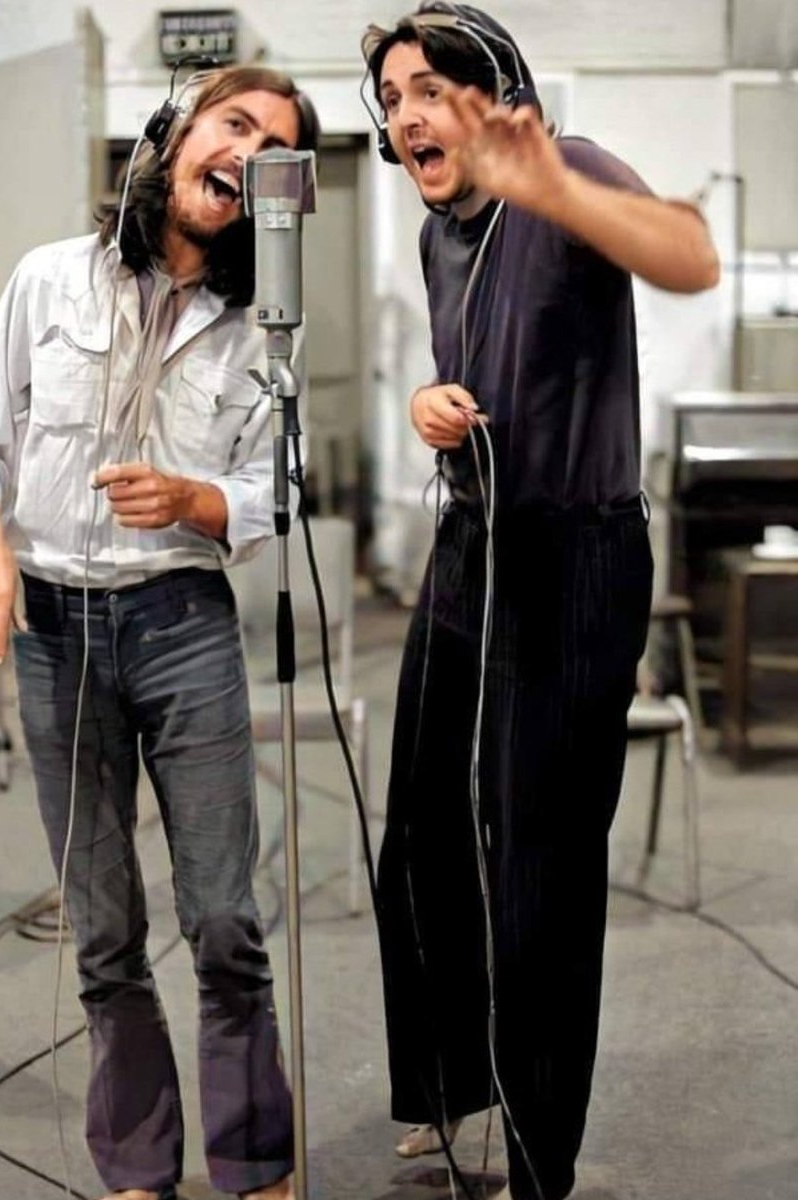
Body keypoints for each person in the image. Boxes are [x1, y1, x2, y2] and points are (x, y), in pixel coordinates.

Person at [0, 65, 319, 1200]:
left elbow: (275, 486)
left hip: (183, 624)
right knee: (103, 931)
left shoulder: (266, 325)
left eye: (273, 148)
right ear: (170, 137)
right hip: (56, 626)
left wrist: (198, 503)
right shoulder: (50, 279)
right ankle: (137, 1166)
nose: (247, 155)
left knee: (226, 920)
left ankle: (253, 1161)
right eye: (233, 125)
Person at [360, 6, 719, 1199]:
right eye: (394, 95)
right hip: (474, 543)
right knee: (418, 827)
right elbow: (476, 366)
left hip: (575, 558)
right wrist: (429, 404)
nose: (410, 113)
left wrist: (552, 186)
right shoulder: (438, 236)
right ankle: (449, 1081)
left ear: (495, 92)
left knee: (540, 864)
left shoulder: (566, 174)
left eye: (431, 89)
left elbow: (688, 257)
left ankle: (534, 1148)